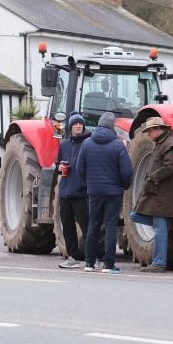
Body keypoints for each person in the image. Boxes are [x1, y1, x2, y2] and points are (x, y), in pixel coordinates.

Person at [77, 112, 132, 274]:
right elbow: (126, 172)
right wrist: (124, 186)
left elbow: (80, 169)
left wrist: (89, 185)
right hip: (113, 193)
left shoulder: (86, 144)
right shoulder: (117, 145)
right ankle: (108, 264)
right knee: (110, 226)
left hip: (94, 192)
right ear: (112, 126)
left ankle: (89, 263)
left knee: (93, 225)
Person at [130, 117, 173, 273]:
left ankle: (159, 263)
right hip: (159, 192)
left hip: (164, 193)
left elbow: (171, 167)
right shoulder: (163, 143)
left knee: (159, 229)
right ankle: (172, 221)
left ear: (157, 129)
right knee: (135, 216)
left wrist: (153, 177)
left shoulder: (170, 144)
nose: (148, 134)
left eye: (149, 131)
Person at [56, 112, 91, 269]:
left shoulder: (88, 143)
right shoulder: (63, 144)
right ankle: (72, 257)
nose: (78, 126)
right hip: (65, 192)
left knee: (87, 227)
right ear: (70, 127)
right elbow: (58, 163)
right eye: (75, 124)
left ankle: (93, 258)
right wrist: (59, 167)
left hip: (81, 192)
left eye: (80, 124)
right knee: (67, 226)